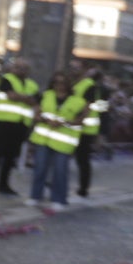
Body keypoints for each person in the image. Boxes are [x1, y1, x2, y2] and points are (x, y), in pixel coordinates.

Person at [27, 71, 85, 213]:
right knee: (40, 168)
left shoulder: (78, 101)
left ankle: (59, 199)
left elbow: (81, 120)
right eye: (56, 82)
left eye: (62, 83)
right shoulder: (46, 95)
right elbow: (36, 114)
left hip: (63, 142)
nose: (59, 86)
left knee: (60, 171)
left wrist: (65, 122)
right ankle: (36, 196)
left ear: (68, 84)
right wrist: (45, 120)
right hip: (43, 138)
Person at [0, 57, 38, 196]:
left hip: (21, 124)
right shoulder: (6, 79)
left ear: (28, 71)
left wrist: (23, 97)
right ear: (12, 68)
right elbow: (11, 96)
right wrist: (27, 98)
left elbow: (36, 101)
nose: (20, 70)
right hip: (3, 122)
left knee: (11, 156)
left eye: (24, 68)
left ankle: (3, 185)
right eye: (18, 67)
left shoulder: (32, 85)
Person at [70, 65, 106, 198]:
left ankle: (83, 188)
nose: (73, 70)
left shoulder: (97, 88)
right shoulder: (75, 84)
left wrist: (101, 133)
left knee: (82, 160)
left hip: (85, 128)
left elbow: (102, 111)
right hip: (73, 126)